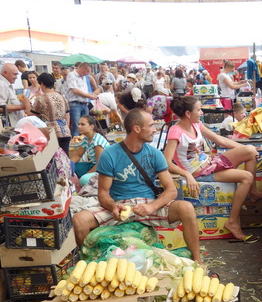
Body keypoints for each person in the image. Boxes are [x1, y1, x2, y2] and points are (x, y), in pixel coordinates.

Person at [73, 109, 202, 263]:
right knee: (79, 220)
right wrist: (114, 206)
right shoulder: (110, 154)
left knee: (186, 208)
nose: (155, 129)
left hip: (147, 204)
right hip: (120, 205)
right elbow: (103, 194)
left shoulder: (155, 154)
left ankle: (198, 260)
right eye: (151, 125)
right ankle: (91, 264)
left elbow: (171, 190)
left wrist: (152, 207)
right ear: (137, 128)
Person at [163, 96, 262, 242]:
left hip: (211, 163)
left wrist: (248, 149)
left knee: (250, 151)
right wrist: (187, 175)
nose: (202, 112)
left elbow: (220, 140)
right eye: (199, 110)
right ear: (188, 114)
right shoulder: (175, 131)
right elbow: (166, 162)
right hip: (200, 173)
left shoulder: (196, 125)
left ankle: (252, 193)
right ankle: (232, 222)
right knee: (247, 177)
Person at [31, 72, 72, 154]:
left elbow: (33, 116)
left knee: (54, 160)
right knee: (65, 159)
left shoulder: (40, 99)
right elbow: (67, 115)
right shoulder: (62, 97)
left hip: (51, 133)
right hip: (65, 131)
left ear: (42, 83)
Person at [66, 62, 101, 137]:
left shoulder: (84, 77)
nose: (89, 73)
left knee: (86, 125)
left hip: (85, 104)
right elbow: (74, 90)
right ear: (82, 69)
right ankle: (76, 143)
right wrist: (89, 96)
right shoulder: (72, 75)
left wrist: (91, 94)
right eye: (88, 71)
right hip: (75, 103)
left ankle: (85, 141)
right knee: (77, 126)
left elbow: (83, 90)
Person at [73, 114, 110, 186]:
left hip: (104, 169)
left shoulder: (97, 141)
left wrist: (86, 176)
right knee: (74, 168)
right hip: (93, 164)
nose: (79, 127)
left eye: (82, 124)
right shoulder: (86, 139)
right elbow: (77, 155)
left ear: (91, 126)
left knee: (83, 180)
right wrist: (69, 164)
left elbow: (99, 164)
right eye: (78, 124)